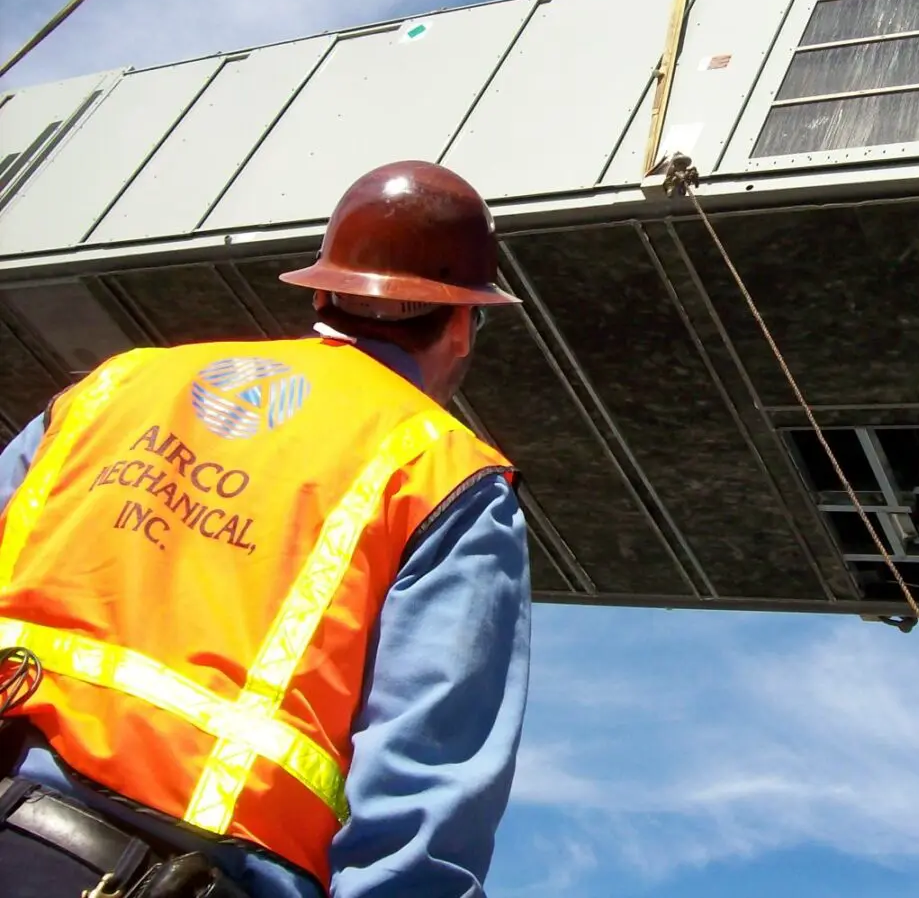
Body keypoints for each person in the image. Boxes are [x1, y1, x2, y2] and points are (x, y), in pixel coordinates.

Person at [0, 161, 532, 898]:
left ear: (320, 290)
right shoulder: (448, 475)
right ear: (465, 327)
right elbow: (425, 785)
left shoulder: (116, 387)